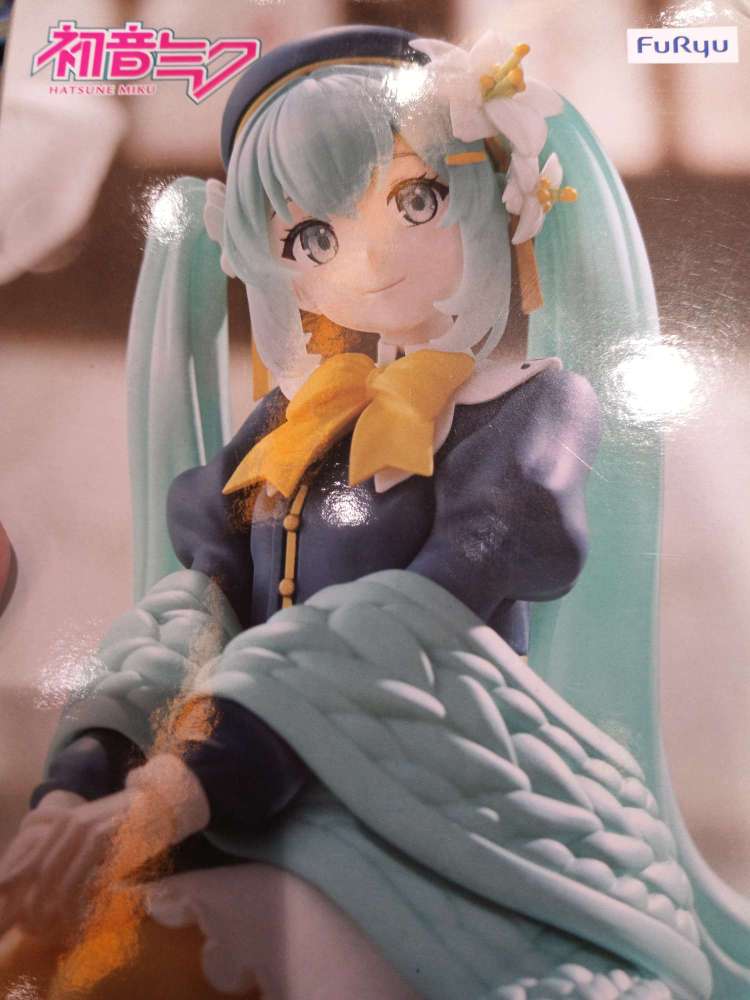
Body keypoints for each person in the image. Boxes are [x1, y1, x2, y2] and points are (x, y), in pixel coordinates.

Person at [0, 25, 717, 1000]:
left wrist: (176, 791)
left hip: (437, 805)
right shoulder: (286, 429)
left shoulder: (524, 411)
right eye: (313, 235)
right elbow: (193, 610)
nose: (370, 254)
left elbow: (412, 619)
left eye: (416, 200)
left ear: (487, 201)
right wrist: (83, 776)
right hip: (246, 785)